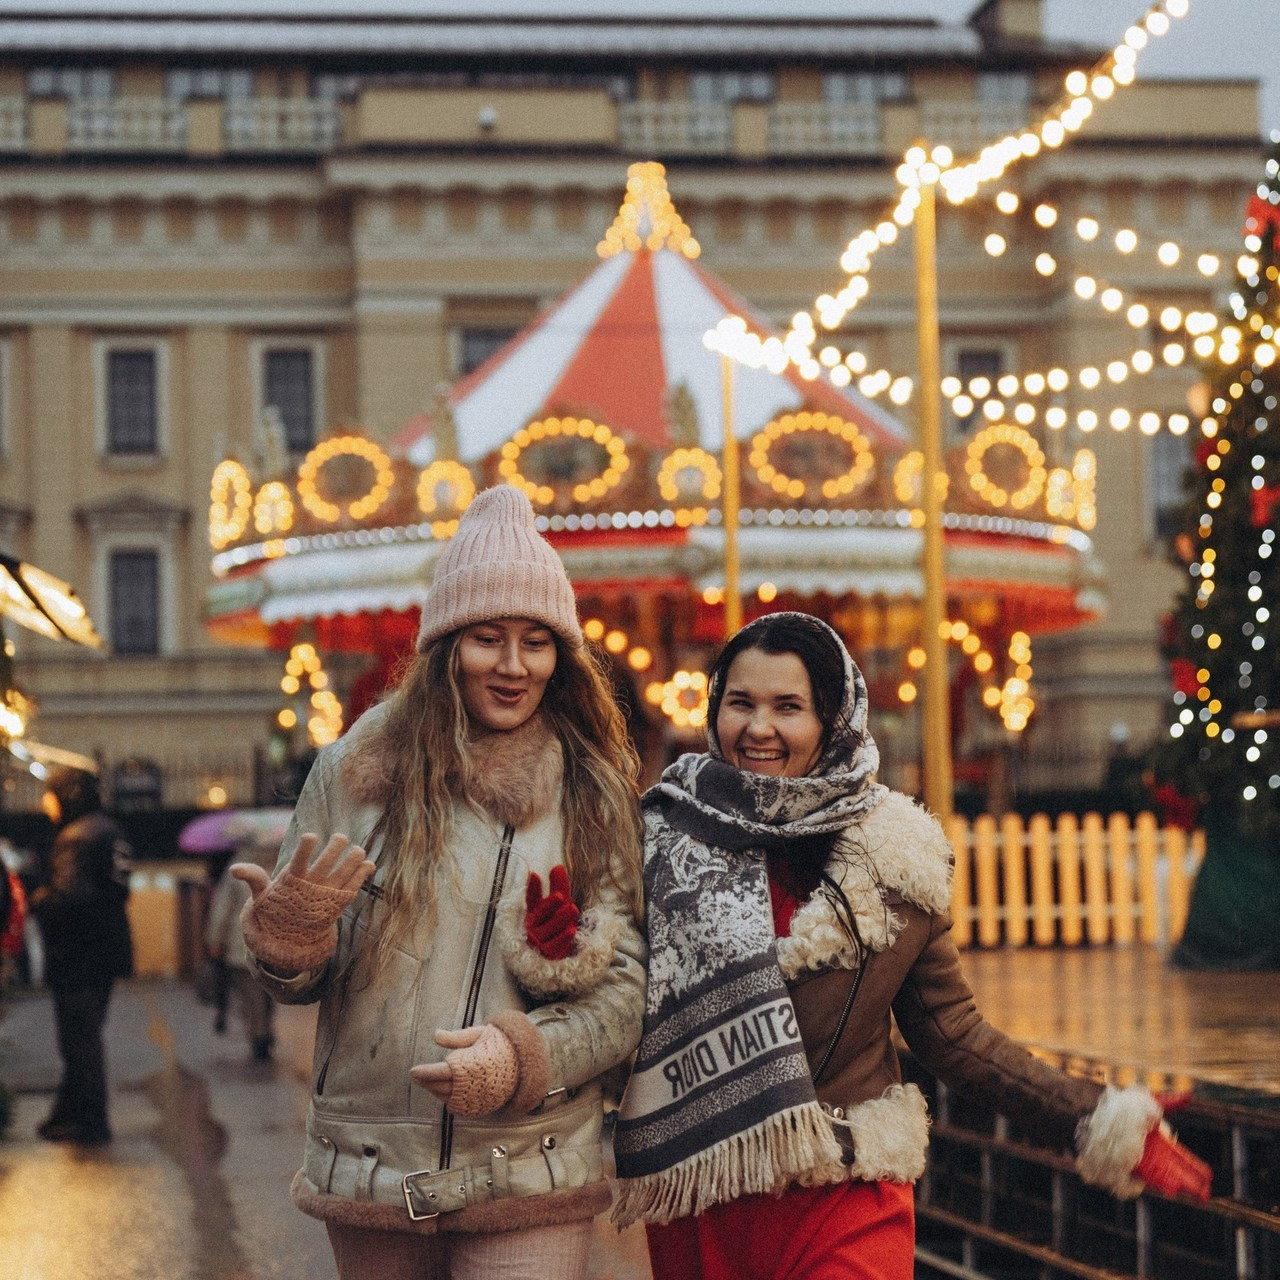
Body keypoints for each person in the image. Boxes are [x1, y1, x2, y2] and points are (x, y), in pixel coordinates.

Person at [613, 612, 1212, 1280]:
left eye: (789, 707)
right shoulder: (659, 840)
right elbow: (612, 1001)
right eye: (740, 703)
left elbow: (953, 1034)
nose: (759, 728)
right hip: (707, 1199)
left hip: (845, 1187)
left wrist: (1098, 1119)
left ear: (834, 720)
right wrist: (560, 952)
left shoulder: (892, 858)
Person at [233, 484, 646, 1280]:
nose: (515, 666)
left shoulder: (592, 792)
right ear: (446, 644)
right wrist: (289, 946)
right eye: (489, 638)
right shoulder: (354, 775)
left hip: (534, 1157)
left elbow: (625, 992)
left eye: (538, 641)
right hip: (371, 1159)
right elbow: (298, 981)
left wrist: (522, 1059)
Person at [28, 765, 134, 1146]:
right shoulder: (110, 831)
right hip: (105, 949)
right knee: (86, 1035)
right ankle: (68, 1115)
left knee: (78, 1039)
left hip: (77, 953)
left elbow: (68, 896)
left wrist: (38, 898)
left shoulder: (75, 838)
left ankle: (88, 1121)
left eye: (52, 796)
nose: (48, 805)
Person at [204, 825, 279, 1062]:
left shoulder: (237, 869)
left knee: (251, 996)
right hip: (275, 948)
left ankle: (259, 1036)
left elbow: (222, 909)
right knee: (270, 993)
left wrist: (215, 940)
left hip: (242, 946)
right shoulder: (282, 866)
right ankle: (265, 1031)